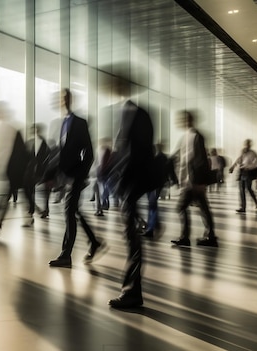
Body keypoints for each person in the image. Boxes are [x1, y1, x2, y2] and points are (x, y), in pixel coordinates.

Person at [103, 71, 155, 309]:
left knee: (131, 238)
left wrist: (121, 181)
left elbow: (136, 155)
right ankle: (132, 290)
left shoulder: (135, 113)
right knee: (130, 235)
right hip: (129, 184)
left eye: (115, 81)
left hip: (131, 184)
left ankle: (133, 292)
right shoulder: (129, 112)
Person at [48, 88, 103, 268]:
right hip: (68, 176)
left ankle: (66, 255)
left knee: (69, 211)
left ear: (70, 100)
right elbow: (65, 153)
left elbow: (88, 152)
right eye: (61, 98)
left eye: (65, 98)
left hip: (77, 176)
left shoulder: (79, 122)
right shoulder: (63, 123)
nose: (62, 101)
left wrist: (80, 174)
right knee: (74, 211)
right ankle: (94, 242)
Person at [169, 110, 218, 247]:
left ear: (187, 120)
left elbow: (200, 160)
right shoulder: (188, 136)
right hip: (191, 181)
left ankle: (187, 237)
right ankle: (210, 236)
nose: (178, 122)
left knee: (181, 207)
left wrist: (198, 182)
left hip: (193, 181)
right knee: (203, 207)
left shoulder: (195, 136)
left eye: (180, 119)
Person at [0, 102, 31, 234]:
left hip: (15, 171)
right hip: (13, 170)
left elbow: (16, 152)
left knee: (8, 198)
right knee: (15, 196)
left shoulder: (10, 129)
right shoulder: (5, 128)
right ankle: (27, 217)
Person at [142, 142, 171, 238]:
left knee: (152, 206)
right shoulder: (162, 158)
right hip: (156, 184)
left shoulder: (155, 158)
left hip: (153, 185)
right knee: (152, 206)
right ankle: (154, 225)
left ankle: (151, 228)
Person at [229, 139, 257, 213]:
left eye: (247, 144)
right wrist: (233, 166)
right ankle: (243, 207)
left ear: (250, 145)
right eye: (245, 144)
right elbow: (238, 159)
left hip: (248, 172)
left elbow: (256, 163)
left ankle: (256, 201)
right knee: (241, 190)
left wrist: (248, 167)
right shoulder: (243, 152)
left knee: (248, 188)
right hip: (242, 172)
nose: (246, 145)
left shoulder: (253, 153)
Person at [93, 138, 112, 216]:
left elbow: (104, 162)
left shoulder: (106, 151)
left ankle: (102, 205)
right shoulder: (101, 150)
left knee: (103, 189)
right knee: (102, 188)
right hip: (100, 172)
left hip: (104, 172)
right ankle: (103, 204)